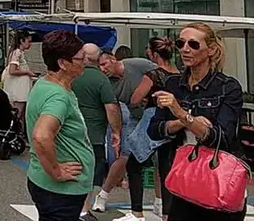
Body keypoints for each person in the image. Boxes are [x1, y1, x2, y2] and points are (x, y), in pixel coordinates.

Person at [150, 23, 244, 221]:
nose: (185, 49)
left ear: (210, 49)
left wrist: (181, 113)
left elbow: (222, 137)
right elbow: (155, 130)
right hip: (183, 179)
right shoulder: (173, 84)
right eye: (180, 43)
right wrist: (185, 122)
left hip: (218, 180)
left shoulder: (227, 87)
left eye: (193, 44)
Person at [26, 30, 95, 221]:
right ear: (63, 63)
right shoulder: (58, 97)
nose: (85, 62)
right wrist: (56, 171)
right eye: (80, 58)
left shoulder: (45, 84)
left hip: (45, 183)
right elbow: (41, 135)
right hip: (60, 192)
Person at [92, 51, 159, 215]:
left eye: (104, 64)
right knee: (125, 156)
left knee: (159, 159)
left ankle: (159, 201)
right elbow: (114, 108)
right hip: (135, 118)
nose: (102, 69)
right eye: (99, 66)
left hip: (155, 114)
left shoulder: (135, 64)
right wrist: (117, 131)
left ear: (113, 59)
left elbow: (159, 73)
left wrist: (149, 92)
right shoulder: (108, 83)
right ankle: (103, 195)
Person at [127, 37, 179, 220]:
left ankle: (137, 212)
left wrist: (143, 100)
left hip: (153, 121)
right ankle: (166, 214)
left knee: (133, 164)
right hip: (172, 124)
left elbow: (135, 98)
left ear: (154, 54)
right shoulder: (179, 75)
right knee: (166, 168)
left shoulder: (153, 75)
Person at [73, 43, 122, 219]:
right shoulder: (101, 80)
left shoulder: (71, 76)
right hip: (94, 135)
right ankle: (84, 208)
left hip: (69, 132)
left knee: (72, 169)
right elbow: (111, 107)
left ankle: (71, 206)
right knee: (91, 172)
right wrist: (116, 131)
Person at [3, 32, 36, 121]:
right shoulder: (17, 53)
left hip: (20, 88)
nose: (30, 44)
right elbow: (12, 71)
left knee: (20, 113)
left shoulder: (19, 53)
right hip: (18, 90)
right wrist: (27, 72)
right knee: (18, 113)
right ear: (22, 41)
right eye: (28, 41)